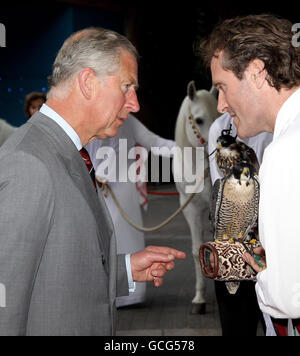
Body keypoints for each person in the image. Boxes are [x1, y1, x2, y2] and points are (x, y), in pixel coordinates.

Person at [0, 27, 186, 336]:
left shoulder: (65, 152)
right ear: (87, 83)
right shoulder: (29, 163)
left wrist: (125, 269)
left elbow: (55, 275)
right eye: (126, 86)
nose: (135, 103)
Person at [200, 14, 300, 336]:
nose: (220, 105)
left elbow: (286, 299)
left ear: (257, 72)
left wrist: (265, 272)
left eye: (223, 87)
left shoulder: (286, 150)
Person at [86, 114, 175, 308]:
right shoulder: (87, 116)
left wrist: (189, 150)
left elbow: (155, 142)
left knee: (125, 241)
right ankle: (100, 292)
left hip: (123, 192)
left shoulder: (127, 120)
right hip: (92, 190)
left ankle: (128, 295)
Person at [208, 112, 273, 336]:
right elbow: (225, 198)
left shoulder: (288, 125)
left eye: (224, 88)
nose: (220, 104)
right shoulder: (220, 127)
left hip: (278, 255)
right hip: (236, 253)